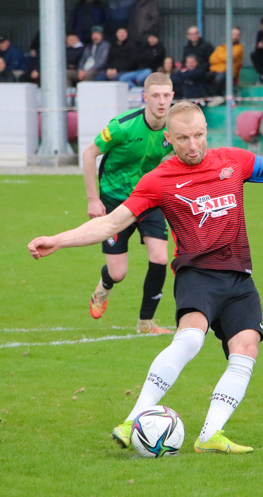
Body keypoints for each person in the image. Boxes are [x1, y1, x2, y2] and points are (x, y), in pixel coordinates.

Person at [28, 101, 263, 455]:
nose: (193, 145)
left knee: (247, 349)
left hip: (239, 277)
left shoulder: (233, 161)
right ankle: (132, 421)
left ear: (207, 130)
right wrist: (58, 240)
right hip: (197, 274)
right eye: (183, 138)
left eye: (199, 135)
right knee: (190, 340)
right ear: (168, 139)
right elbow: (111, 223)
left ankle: (210, 434)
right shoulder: (158, 180)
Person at [81, 73, 176, 334]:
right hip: (114, 202)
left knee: (159, 258)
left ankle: (146, 323)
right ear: (145, 97)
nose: (161, 101)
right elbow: (89, 154)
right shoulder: (122, 127)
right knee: (118, 272)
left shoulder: (174, 127)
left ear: (173, 97)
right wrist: (93, 199)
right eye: (155, 96)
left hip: (149, 198)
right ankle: (103, 288)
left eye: (166, 95)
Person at [207, 26, 243, 95]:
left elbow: (228, 58)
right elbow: (211, 59)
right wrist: (223, 57)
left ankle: (218, 96)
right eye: (233, 34)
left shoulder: (239, 48)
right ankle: (207, 97)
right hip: (215, 71)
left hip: (229, 72)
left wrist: (219, 56)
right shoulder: (222, 46)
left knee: (219, 79)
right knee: (203, 77)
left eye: (237, 35)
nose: (235, 37)